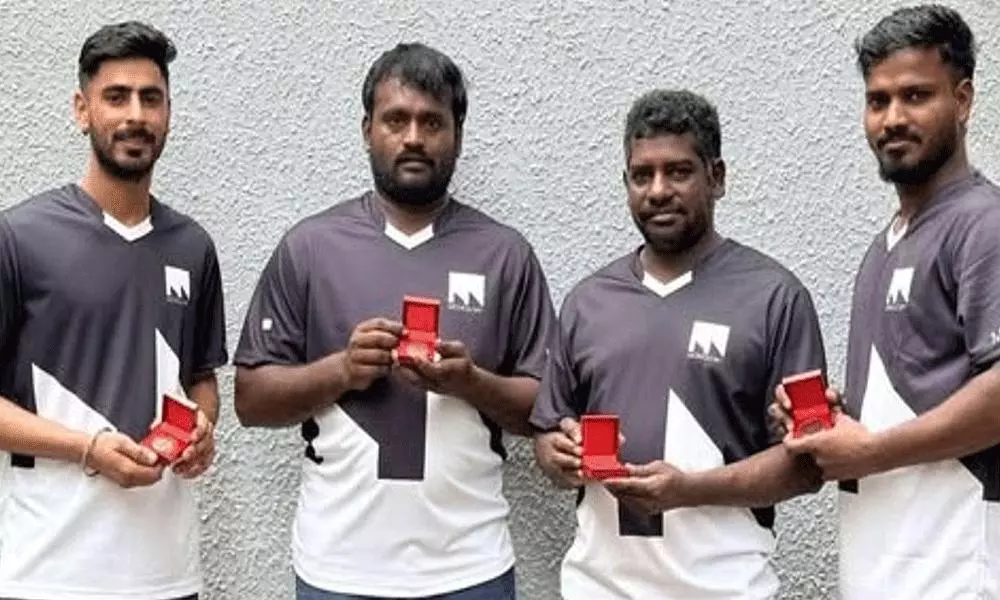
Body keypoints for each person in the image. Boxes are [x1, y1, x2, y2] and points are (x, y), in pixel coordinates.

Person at [232, 42, 556, 600]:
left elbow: (545, 409)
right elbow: (250, 400)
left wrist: (470, 382)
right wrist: (341, 371)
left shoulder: (505, 254)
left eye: (432, 122)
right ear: (367, 130)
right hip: (337, 569)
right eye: (395, 120)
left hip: (471, 567)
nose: (413, 137)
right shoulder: (310, 247)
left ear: (457, 134)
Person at [531, 89, 827, 599]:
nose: (658, 190)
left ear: (717, 178)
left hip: (726, 589)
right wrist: (555, 456)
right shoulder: (587, 302)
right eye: (642, 175)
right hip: (598, 588)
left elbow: (808, 465)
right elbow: (547, 432)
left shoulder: (776, 297)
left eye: (679, 172)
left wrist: (690, 489)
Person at [776, 5, 1000, 598]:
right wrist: (830, 421)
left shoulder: (984, 225)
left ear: (963, 99)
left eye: (916, 95)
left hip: (954, 570)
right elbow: (919, 389)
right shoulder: (885, 247)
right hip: (880, 566)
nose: (893, 118)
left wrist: (871, 450)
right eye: (878, 100)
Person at [0, 21, 226, 600]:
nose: (136, 115)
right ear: (82, 110)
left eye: (151, 98)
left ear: (169, 113)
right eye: (116, 97)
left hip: (167, 574)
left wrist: (202, 428)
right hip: (48, 574)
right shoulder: (19, 237)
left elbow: (201, 378)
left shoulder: (193, 247)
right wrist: (88, 449)